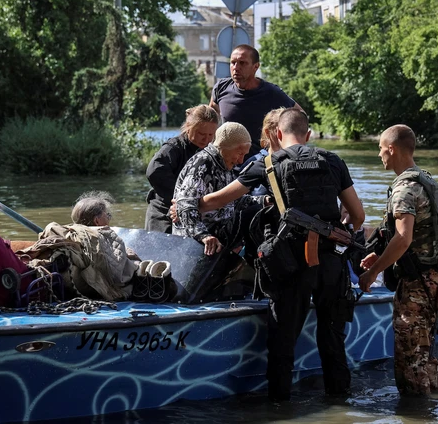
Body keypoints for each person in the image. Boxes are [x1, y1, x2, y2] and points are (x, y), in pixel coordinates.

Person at [200, 108, 365, 401]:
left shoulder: (267, 164)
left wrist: (186, 204)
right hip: (330, 264)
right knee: (332, 341)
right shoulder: (333, 161)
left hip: (290, 264)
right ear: (309, 135)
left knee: (282, 343)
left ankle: (279, 409)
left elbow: (216, 201)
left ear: (277, 133)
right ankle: (340, 404)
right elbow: (358, 215)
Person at [358, 124, 438, 397]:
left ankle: (417, 414)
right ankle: (434, 407)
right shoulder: (424, 180)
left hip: (416, 288)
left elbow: (403, 238)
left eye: (380, 148)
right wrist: (384, 254)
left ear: (392, 149)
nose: (379, 154)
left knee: (411, 360)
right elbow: (416, 239)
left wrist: (373, 271)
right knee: (424, 354)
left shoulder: (404, 188)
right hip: (432, 280)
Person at [172, 122, 258, 256]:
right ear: (224, 147)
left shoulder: (225, 164)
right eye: (239, 153)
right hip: (194, 243)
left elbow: (232, 201)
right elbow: (184, 204)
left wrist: (264, 200)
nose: (241, 161)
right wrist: (203, 236)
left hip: (219, 238)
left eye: (244, 155)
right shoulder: (203, 164)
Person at [210, 44, 302, 159]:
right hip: (227, 162)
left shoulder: (271, 92)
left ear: (256, 67)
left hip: (258, 163)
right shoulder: (221, 87)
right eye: (233, 63)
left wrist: (283, 144)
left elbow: (300, 114)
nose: (236, 67)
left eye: (242, 63)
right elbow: (211, 117)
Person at [145, 105, 220, 233]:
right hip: (164, 214)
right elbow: (155, 171)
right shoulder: (173, 148)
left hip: (193, 214)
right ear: (189, 127)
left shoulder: (211, 151)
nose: (206, 139)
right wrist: (181, 199)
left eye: (210, 135)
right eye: (201, 134)